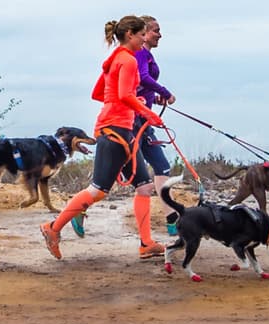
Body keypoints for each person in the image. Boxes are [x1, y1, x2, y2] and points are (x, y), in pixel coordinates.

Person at [39, 16, 165, 261]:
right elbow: (124, 94)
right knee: (98, 190)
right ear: (130, 34)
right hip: (115, 130)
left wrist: (133, 100)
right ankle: (53, 228)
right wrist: (147, 111)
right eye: (141, 35)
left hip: (121, 129)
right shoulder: (127, 60)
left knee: (144, 186)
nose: (143, 40)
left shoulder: (115, 59)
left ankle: (146, 243)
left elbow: (100, 93)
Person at [130, 15, 178, 241]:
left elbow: (142, 85)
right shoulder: (140, 52)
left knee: (162, 167)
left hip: (145, 120)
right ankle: (79, 210)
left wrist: (155, 98)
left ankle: (172, 219)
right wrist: (165, 92)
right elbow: (142, 77)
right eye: (156, 30)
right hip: (133, 122)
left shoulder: (147, 54)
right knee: (113, 178)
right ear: (144, 33)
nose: (160, 35)